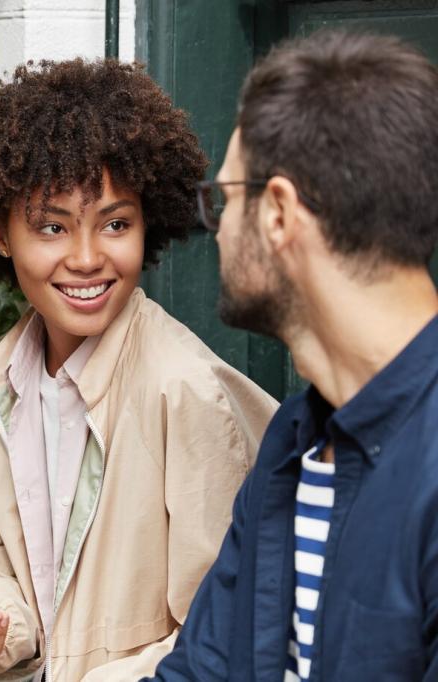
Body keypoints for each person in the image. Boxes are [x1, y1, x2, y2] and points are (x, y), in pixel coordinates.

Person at [0, 59, 278, 681]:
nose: (87, 258)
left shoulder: (184, 390)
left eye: (115, 223)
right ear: (1, 235)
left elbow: (222, 637)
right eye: (52, 227)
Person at [147, 31, 438, 681]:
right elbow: (203, 671)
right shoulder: (293, 439)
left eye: (225, 201)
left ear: (278, 212)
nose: (217, 230)